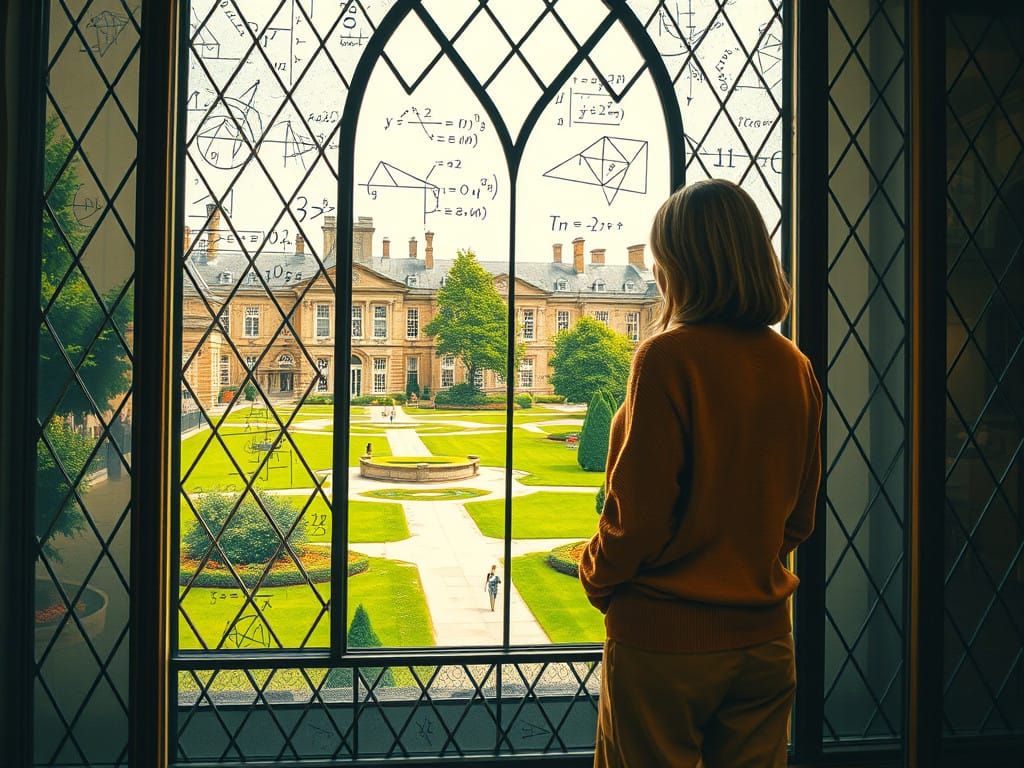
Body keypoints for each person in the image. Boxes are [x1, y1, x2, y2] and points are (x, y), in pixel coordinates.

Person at [579, 179, 822, 768]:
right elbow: (798, 519)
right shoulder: (794, 365)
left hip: (664, 642)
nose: (658, 274)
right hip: (765, 641)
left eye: (663, 259)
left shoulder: (666, 357)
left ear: (679, 268)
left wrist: (595, 574)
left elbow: (636, 519)